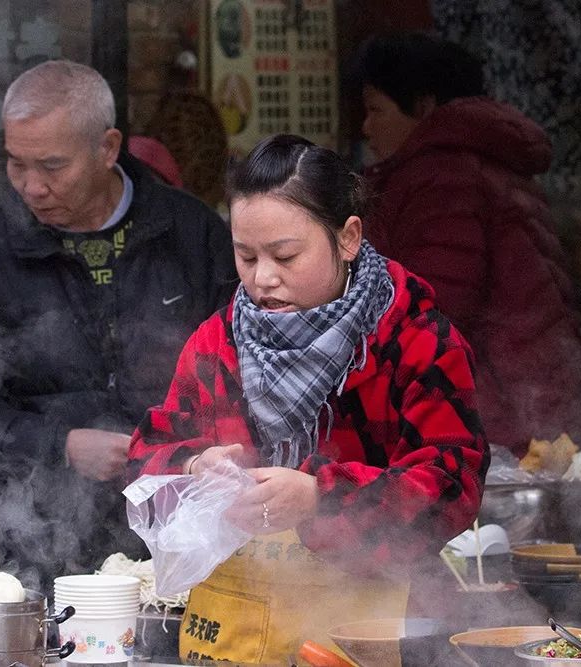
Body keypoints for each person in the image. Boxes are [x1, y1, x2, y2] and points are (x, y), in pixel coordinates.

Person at [128, 134, 489, 664]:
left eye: (285, 255)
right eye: (245, 256)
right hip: (231, 636)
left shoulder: (415, 342)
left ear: (347, 238)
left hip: (364, 633)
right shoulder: (217, 341)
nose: (262, 279)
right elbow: (145, 459)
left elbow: (452, 482)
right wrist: (194, 465)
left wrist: (322, 497)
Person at [0, 60, 237, 588]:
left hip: (178, 540)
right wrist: (60, 444)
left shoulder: (192, 234)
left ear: (108, 147)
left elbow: (241, 378)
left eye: (51, 165)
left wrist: (190, 457)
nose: (31, 186)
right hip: (29, 541)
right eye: (16, 164)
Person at [352, 33, 581, 458]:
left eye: (376, 110)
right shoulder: (484, 162)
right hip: (531, 403)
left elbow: (432, 315)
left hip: (493, 416)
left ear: (423, 106)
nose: (366, 126)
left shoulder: (442, 177)